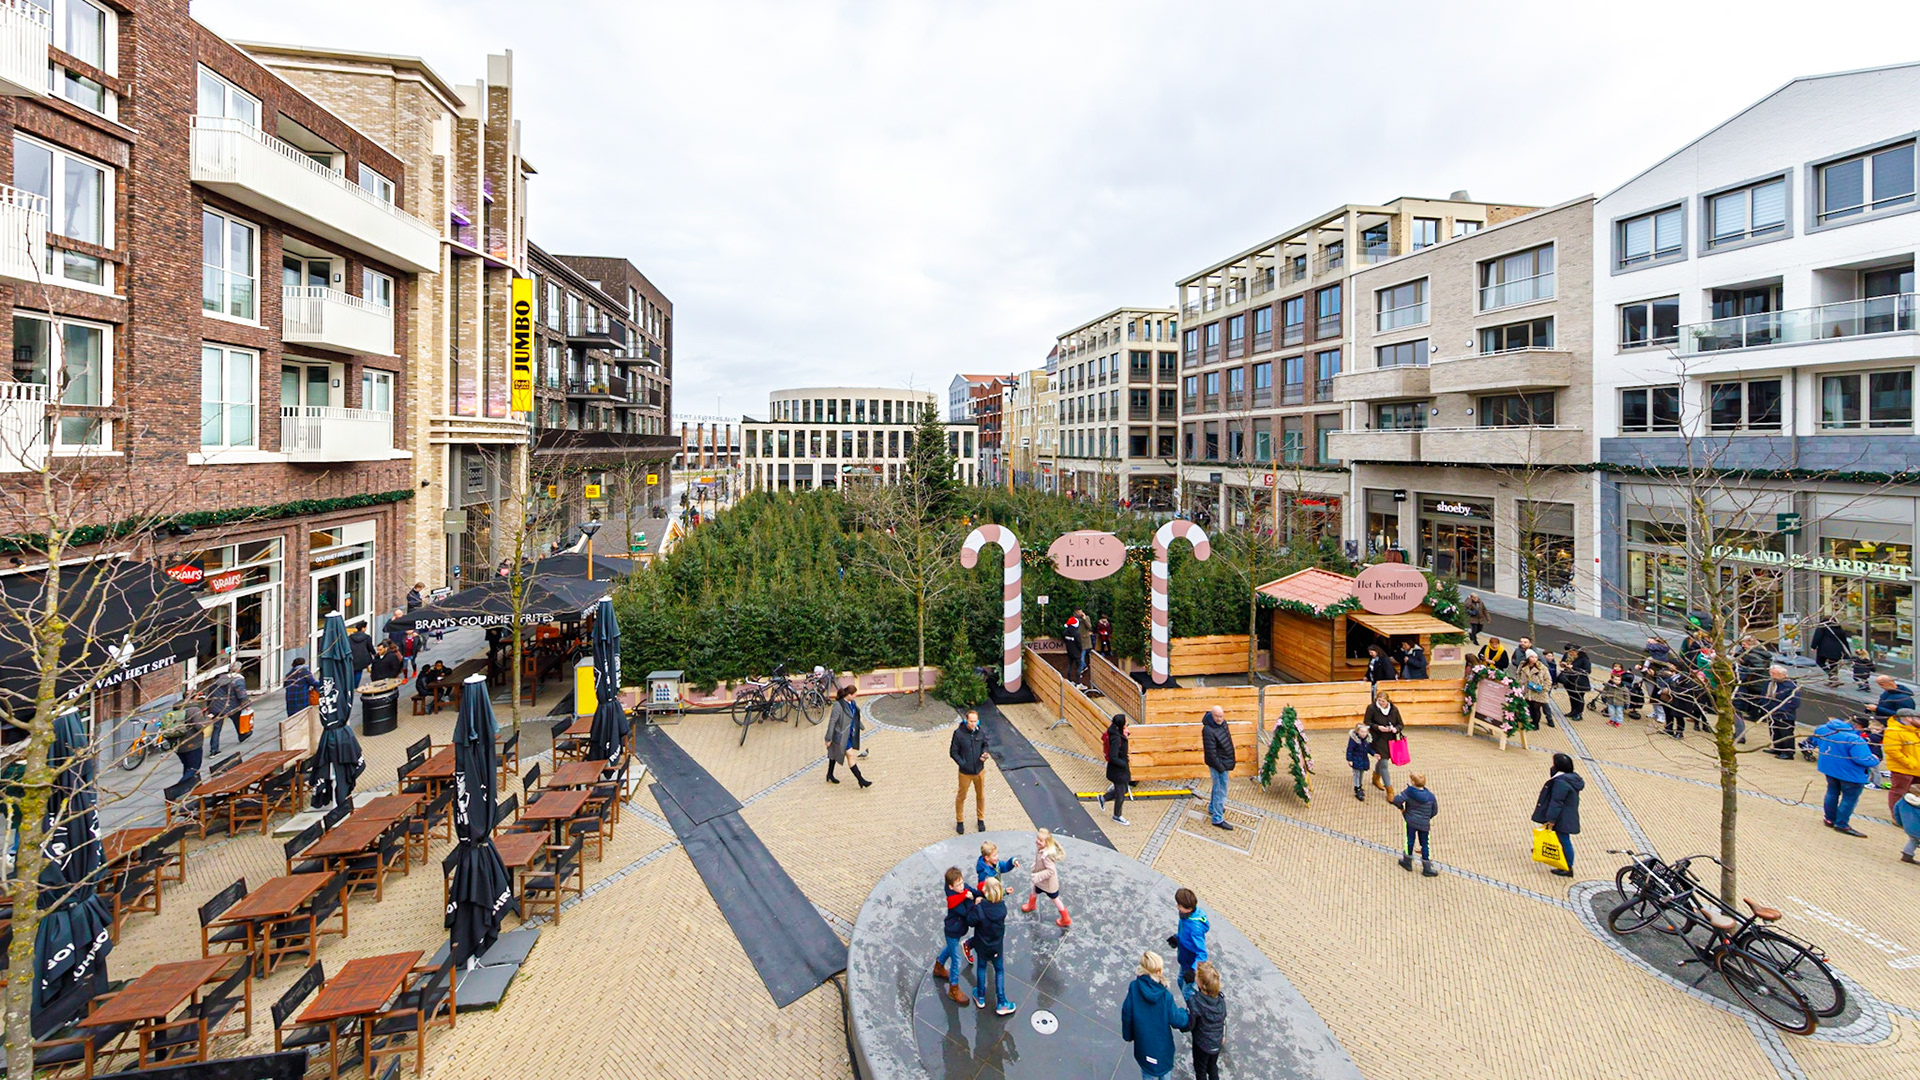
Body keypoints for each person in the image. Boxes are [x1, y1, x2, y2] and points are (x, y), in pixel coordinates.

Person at [1121, 951, 1189, 1080]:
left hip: (1144, 1047)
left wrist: (1128, 1035)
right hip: (1163, 1050)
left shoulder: (1134, 987)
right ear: (1158, 971)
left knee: (1147, 1074)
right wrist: (1187, 1014)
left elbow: (1127, 1014)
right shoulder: (1165, 996)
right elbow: (1177, 1020)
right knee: (1164, 1074)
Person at [1812, 713, 1879, 836]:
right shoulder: (1855, 739)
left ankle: (1829, 819)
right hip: (1851, 774)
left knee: (1832, 793)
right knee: (1849, 798)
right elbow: (1861, 759)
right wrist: (1874, 759)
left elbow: (1814, 740)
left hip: (1830, 768)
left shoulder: (1823, 729)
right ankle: (1841, 824)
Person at [1531, 752, 1585, 877]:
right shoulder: (1571, 778)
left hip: (1562, 817)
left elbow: (1557, 802)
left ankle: (1567, 866)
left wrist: (1551, 819)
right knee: (1561, 838)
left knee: (1564, 840)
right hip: (1566, 815)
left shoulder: (1561, 782)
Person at [967, 877, 1016, 1015]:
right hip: (996, 946)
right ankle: (1001, 1002)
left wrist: (975, 905)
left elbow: (971, 921)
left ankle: (980, 997)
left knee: (981, 968)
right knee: (999, 970)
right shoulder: (1002, 908)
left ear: (986, 892)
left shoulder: (980, 908)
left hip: (982, 946)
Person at [934, 867, 974, 1004]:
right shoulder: (953, 900)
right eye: (958, 885)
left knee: (951, 949)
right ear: (951, 886)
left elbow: (971, 891)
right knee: (957, 960)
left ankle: (938, 967)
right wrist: (971, 900)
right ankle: (953, 989)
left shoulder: (961, 890)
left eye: (962, 882)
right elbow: (965, 912)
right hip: (952, 931)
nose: (962, 886)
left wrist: (979, 895)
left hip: (956, 931)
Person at [950, 709, 992, 834]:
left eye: (975, 721)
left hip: (979, 770)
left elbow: (985, 743)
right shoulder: (958, 734)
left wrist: (985, 753)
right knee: (961, 796)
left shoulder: (981, 731)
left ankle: (980, 819)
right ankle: (960, 821)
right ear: (966, 720)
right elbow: (953, 752)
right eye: (971, 721)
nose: (973, 724)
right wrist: (963, 764)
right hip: (965, 772)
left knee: (981, 795)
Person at [1020, 828, 1070, 928]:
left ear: (1047, 843)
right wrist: (1035, 866)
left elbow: (1050, 871)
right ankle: (1031, 904)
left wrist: (1038, 876)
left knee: (1055, 899)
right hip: (1040, 881)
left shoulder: (1047, 856)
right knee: (1034, 890)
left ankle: (1065, 918)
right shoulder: (1040, 850)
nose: (1038, 841)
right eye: (1037, 838)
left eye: (1041, 840)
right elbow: (1039, 862)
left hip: (1048, 884)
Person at [1392, 772, 1440, 876]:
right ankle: (1427, 868)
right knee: (1425, 844)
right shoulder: (1431, 796)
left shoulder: (1410, 792)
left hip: (1411, 821)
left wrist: (1402, 809)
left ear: (1413, 782)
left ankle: (1407, 862)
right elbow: (1435, 811)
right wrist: (1426, 818)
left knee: (1409, 840)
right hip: (1424, 824)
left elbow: (1396, 800)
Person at [824, 685, 872, 788]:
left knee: (835, 753)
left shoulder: (852, 703)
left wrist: (860, 725)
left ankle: (829, 774)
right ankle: (861, 780)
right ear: (849, 695)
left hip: (849, 734)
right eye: (854, 694)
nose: (856, 695)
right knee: (850, 755)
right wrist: (828, 738)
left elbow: (855, 716)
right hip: (840, 736)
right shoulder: (838, 705)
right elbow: (832, 722)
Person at [1167, 887, 1210, 1003]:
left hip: (1190, 964)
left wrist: (1193, 969)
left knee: (1187, 992)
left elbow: (1202, 953)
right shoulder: (1186, 916)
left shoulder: (1195, 928)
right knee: (1180, 981)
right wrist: (1178, 937)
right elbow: (1184, 931)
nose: (1178, 907)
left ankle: (1193, 1012)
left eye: (1180, 906)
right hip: (1184, 960)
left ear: (1189, 908)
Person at [1185, 961, 1226, 1080]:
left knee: (1200, 1070)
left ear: (1201, 984)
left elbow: (1190, 1025)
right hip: (1216, 1043)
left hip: (1202, 1045)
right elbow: (1224, 1019)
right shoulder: (1220, 1000)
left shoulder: (1195, 1001)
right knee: (1212, 1067)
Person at [1200, 706, 1235, 831]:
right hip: (1219, 764)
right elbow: (1211, 753)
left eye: (1221, 716)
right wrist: (1221, 767)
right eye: (1217, 716)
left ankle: (1213, 808)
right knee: (1221, 790)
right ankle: (1218, 818)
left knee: (1218, 787)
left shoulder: (1222, 723)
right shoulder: (1208, 730)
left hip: (1224, 761)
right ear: (1212, 715)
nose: (1220, 719)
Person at [1364, 691, 1404, 798]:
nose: (1381, 703)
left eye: (1383, 701)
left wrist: (1396, 729)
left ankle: (1375, 777)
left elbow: (1400, 724)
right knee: (1384, 763)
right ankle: (1389, 789)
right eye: (1379, 701)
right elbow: (1367, 722)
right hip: (1377, 739)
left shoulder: (1394, 710)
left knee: (1382, 760)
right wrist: (1377, 727)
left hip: (1390, 738)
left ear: (1388, 701)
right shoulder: (1372, 708)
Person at [203, 664, 248, 756]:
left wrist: (209, 709)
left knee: (216, 729)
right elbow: (241, 695)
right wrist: (246, 704)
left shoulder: (216, 682)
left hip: (216, 708)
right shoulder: (237, 680)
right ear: (238, 670)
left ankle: (214, 750)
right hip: (230, 706)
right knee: (237, 721)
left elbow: (209, 696)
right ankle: (242, 735)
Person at [1759, 666, 1802, 760]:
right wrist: (1763, 706)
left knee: (1785, 733)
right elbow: (1763, 695)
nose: (1771, 675)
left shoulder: (1791, 686)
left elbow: (1794, 702)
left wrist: (1780, 710)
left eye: (1774, 673)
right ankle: (1777, 747)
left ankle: (1788, 752)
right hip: (1771, 712)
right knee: (1774, 731)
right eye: (1771, 673)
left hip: (1784, 715)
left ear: (1783, 675)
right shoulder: (1770, 683)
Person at [1884, 709, 1920, 813]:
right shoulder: (1894, 731)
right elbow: (1892, 750)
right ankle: (1897, 816)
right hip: (1903, 769)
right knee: (1898, 792)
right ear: (1908, 718)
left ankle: (1910, 816)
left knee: (1915, 794)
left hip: (1916, 769)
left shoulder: (1915, 731)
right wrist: (1908, 763)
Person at [1099, 713, 1132, 825]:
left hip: (1121, 768)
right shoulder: (1115, 737)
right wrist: (1123, 763)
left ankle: (1104, 798)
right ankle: (1117, 815)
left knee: (1124, 790)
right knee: (1121, 792)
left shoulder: (1116, 732)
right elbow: (1113, 756)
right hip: (1118, 769)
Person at [1810, 616, 1851, 687]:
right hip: (1837, 649)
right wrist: (1848, 651)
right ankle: (1833, 680)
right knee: (1833, 664)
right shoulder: (1839, 628)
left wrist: (1813, 646)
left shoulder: (1822, 626)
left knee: (1820, 662)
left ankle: (1832, 676)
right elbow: (1844, 640)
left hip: (1824, 648)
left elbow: (1817, 637)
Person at [1518, 650, 1555, 729]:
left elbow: (1548, 680)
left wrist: (1544, 689)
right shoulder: (1523, 665)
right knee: (1529, 707)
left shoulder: (1542, 667)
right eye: (1532, 657)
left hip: (1538, 692)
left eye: (1536, 657)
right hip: (1527, 691)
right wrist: (1520, 684)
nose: (1534, 659)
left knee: (1536, 708)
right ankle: (1532, 721)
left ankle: (1536, 724)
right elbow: (1518, 674)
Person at [1346, 721, 1374, 802]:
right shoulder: (1354, 740)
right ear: (1358, 731)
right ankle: (1357, 788)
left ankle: (1360, 785)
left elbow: (1369, 749)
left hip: (1363, 759)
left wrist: (1374, 754)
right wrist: (1349, 759)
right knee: (1356, 774)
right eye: (1362, 732)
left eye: (1365, 732)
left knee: (1361, 773)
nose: (1363, 733)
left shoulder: (1366, 740)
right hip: (1356, 759)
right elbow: (1350, 750)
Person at [1561, 644, 1591, 717]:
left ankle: (1579, 713)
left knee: (1579, 698)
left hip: (1580, 682)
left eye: (1572, 652)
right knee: (1572, 697)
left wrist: (1574, 667)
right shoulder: (1567, 656)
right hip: (1569, 680)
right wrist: (1563, 664)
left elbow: (1587, 671)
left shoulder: (1584, 659)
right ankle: (1573, 711)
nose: (1570, 653)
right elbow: (1563, 661)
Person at [1896, 792, 1920, 865]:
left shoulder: (1902, 801)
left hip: (1908, 827)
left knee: (1913, 840)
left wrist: (1900, 823)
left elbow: (1896, 812)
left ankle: (1907, 855)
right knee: (1914, 840)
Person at [1072, 609, 1094, 683]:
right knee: (1078, 656)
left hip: (1084, 641)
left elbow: (1089, 626)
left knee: (1081, 656)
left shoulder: (1086, 618)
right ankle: (1084, 666)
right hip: (1077, 640)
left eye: (1080, 612)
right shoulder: (1074, 619)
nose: (1079, 613)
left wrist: (1084, 619)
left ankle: (1080, 671)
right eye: (1078, 612)